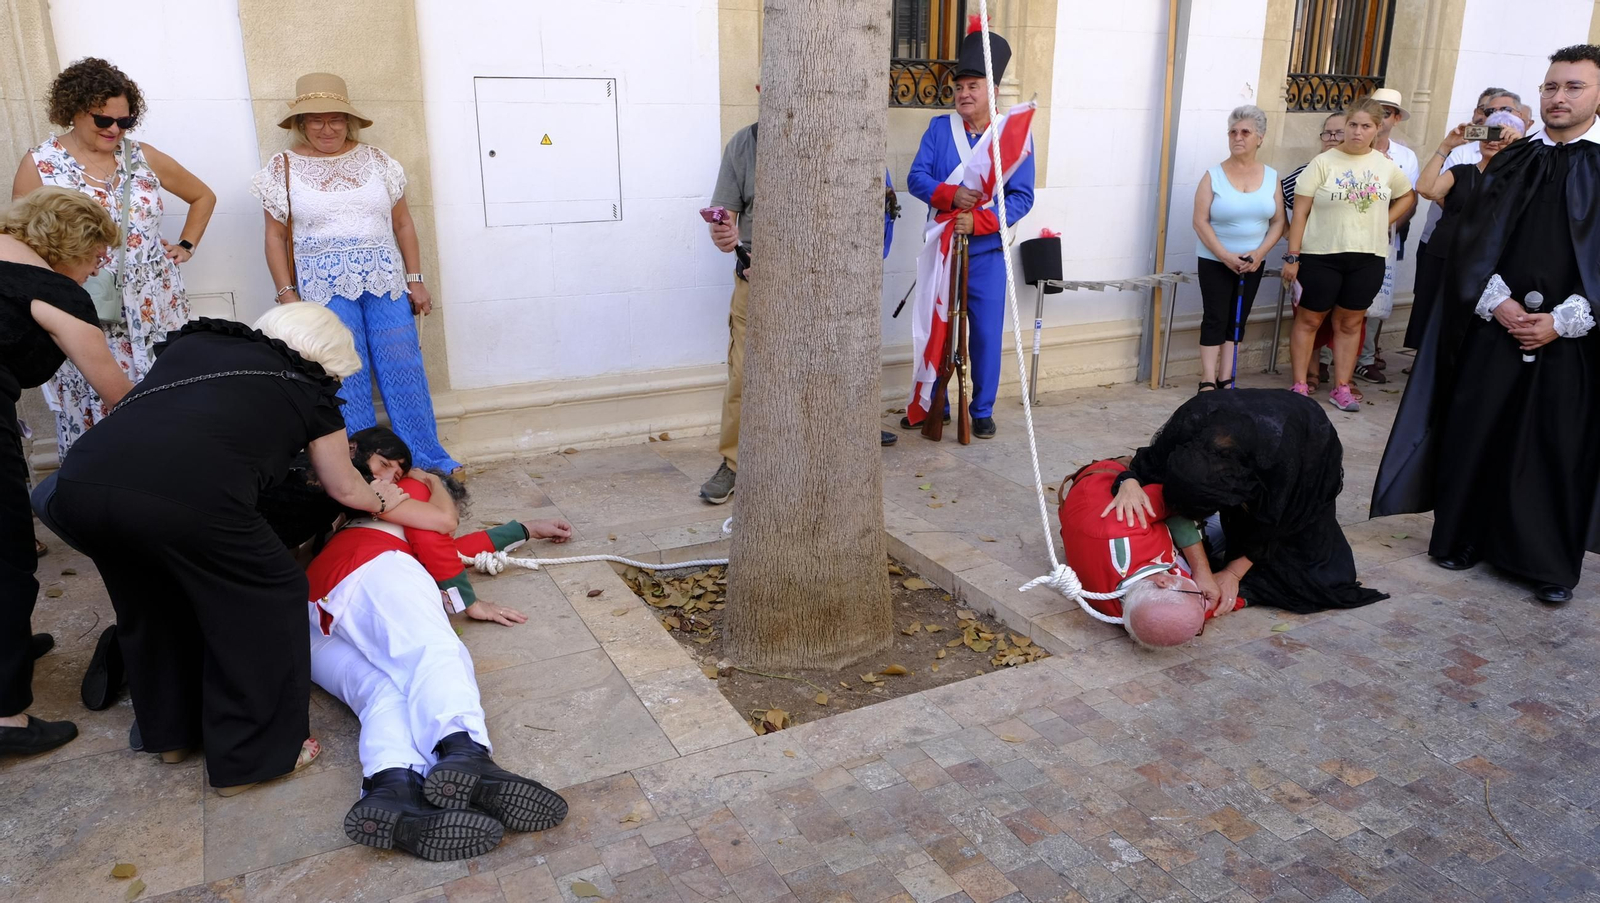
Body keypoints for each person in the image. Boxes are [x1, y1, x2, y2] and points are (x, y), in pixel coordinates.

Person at [33, 304, 452, 793]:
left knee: (153, 599)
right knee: (272, 593)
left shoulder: (193, 345)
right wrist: (381, 495)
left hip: (78, 486)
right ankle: (251, 759)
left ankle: (170, 737)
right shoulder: (310, 391)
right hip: (185, 498)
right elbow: (347, 490)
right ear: (326, 360)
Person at [1373, 45, 1600, 606]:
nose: (1558, 97)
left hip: (1572, 339)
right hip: (1494, 325)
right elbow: (1471, 239)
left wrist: (1566, 320)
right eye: (1550, 86)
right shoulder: (1510, 159)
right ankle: (1462, 536)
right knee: (1477, 428)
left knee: (1555, 444)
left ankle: (1544, 561)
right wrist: (1496, 301)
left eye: (1573, 87)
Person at [308, 430, 569, 860]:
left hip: (313, 617)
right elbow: (433, 540)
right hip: (367, 574)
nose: (393, 473)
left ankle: (392, 788)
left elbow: (446, 547)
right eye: (389, 464)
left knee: (385, 693)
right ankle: (464, 752)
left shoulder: (359, 511)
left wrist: (522, 529)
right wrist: (468, 601)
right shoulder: (403, 487)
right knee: (436, 651)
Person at [251, 72, 460, 477]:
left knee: (404, 368)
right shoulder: (283, 169)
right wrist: (286, 294)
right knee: (344, 376)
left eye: (335, 119)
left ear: (349, 121)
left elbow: (402, 224)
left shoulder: (380, 161)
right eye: (315, 120)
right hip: (323, 287)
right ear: (300, 123)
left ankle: (426, 457)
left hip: (385, 280)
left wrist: (415, 279)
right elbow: (275, 236)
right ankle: (362, 466)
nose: (326, 128)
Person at [11, 57, 215, 458]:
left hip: (156, 305)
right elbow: (19, 241)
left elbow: (202, 195)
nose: (114, 131)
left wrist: (186, 245)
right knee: (95, 400)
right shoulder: (41, 164)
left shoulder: (143, 157)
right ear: (74, 109)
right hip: (84, 305)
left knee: (164, 393)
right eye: (103, 121)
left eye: (124, 122)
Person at [699, 107, 900, 505]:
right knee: (743, 375)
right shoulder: (745, 143)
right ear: (761, 89)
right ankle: (734, 463)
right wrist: (724, 235)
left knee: (836, 365)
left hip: (827, 282)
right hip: (756, 280)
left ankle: (849, 439)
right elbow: (724, 217)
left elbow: (870, 216)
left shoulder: (848, 139)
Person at [0, 187, 134, 756]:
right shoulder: (53, 291)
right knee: (7, 561)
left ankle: (9, 645)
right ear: (69, 245)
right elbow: (118, 393)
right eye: (98, 252)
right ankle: (6, 718)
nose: (100, 265)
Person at [1107, 388, 1387, 612]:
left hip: (1305, 434)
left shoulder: (1284, 461)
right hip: (1249, 431)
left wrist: (1233, 573)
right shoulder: (1189, 422)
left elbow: (1280, 518)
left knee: (1311, 574)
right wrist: (1129, 481)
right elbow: (1151, 467)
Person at [902, 16, 1035, 440]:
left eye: (972, 86)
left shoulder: (1011, 137)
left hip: (986, 252)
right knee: (937, 327)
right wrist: (949, 195)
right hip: (943, 249)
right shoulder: (940, 129)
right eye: (959, 87)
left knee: (985, 335)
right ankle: (936, 400)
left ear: (992, 91)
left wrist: (977, 219)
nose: (963, 93)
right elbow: (916, 178)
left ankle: (981, 408)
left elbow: (1021, 198)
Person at [1281, 96, 1415, 413]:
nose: (1356, 131)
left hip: (1367, 257)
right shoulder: (1323, 163)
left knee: (1351, 323)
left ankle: (1341, 386)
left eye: (1365, 126)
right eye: (1352, 125)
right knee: (1309, 319)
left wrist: (1385, 219)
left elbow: (1408, 196)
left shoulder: (1384, 166)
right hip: (1320, 254)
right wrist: (1293, 256)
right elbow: (1299, 213)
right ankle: (1300, 383)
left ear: (1377, 129)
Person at [1057, 459, 1243, 647]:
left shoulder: (1126, 524)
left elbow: (1176, 497)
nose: (1202, 601)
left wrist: (1202, 571)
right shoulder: (1138, 613)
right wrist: (1231, 583)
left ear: (1164, 581)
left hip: (1117, 481)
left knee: (1202, 487)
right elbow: (1196, 610)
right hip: (1106, 529)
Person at [1405, 88, 1519, 352]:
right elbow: (1426, 188)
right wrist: (1445, 146)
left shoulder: (1518, 177)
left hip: (1487, 259)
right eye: (1489, 133)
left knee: (1470, 324)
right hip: (1444, 252)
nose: (1493, 141)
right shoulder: (1462, 171)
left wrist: (1519, 149)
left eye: (1501, 137)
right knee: (1433, 316)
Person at [1191, 105, 1285, 391]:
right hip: (1215, 259)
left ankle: (1226, 375)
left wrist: (1259, 254)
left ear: (1260, 137)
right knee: (1215, 316)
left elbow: (1279, 222)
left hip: (1252, 262)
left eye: (1245, 132)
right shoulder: (1213, 176)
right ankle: (1208, 378)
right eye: (1233, 132)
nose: (1237, 137)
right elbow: (1200, 221)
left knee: (1237, 318)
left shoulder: (1272, 177)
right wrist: (1224, 255)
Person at [1350, 88, 1420, 385]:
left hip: (1386, 238)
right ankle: (1332, 359)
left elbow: (1410, 198)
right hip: (1349, 234)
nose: (1383, 117)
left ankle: (1366, 358)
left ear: (1394, 119)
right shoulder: (1349, 150)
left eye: (1388, 112)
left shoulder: (1405, 156)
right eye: (1378, 109)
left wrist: (1386, 227)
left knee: (1377, 298)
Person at [1282, 112, 1345, 393]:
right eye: (1327, 133)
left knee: (1343, 318)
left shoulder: (1361, 172)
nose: (1332, 139)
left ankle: (1337, 373)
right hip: (1311, 255)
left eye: (1339, 133)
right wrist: (1291, 237)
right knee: (1310, 317)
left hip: (1348, 256)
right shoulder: (1306, 171)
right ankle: (1309, 371)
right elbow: (1278, 200)